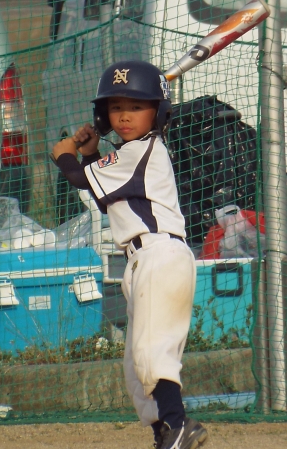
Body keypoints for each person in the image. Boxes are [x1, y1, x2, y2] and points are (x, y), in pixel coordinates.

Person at [51, 60, 208, 449]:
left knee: (152, 351)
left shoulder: (142, 150)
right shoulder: (129, 154)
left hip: (161, 255)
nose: (124, 115)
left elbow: (77, 178)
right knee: (137, 369)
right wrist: (91, 152)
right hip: (144, 260)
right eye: (116, 107)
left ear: (158, 112)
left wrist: (65, 154)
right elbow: (106, 200)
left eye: (136, 106)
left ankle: (179, 425)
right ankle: (165, 433)